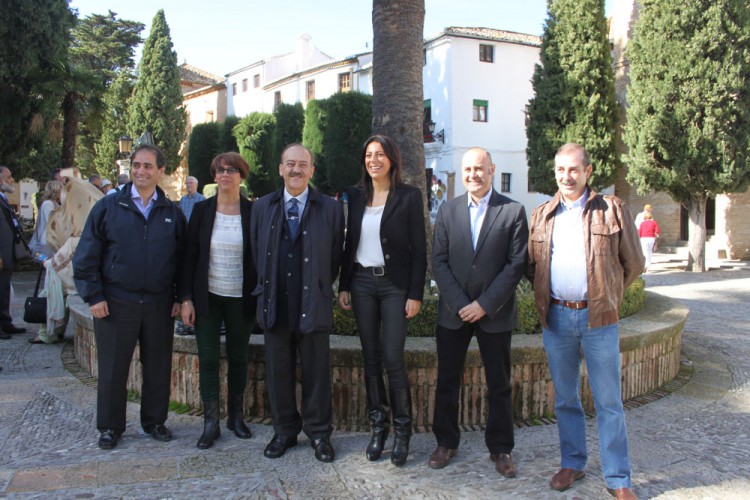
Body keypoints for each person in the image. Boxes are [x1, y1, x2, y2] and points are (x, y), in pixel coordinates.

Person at [526, 143, 643, 500]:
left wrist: (608, 296)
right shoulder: (542, 215)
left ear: (588, 172)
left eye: (574, 170)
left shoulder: (612, 209)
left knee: (609, 401)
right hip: (557, 318)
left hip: (599, 320)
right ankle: (573, 462)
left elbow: (634, 262)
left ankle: (618, 477)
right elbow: (532, 266)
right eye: (561, 170)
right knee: (565, 398)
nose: (567, 177)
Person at [73, 144, 187, 451]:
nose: (141, 171)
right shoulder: (109, 207)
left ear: (160, 171)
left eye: (148, 166)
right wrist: (94, 295)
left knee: (158, 366)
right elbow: (86, 256)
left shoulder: (171, 213)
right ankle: (110, 426)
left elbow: (183, 260)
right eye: (136, 165)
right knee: (112, 368)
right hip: (115, 302)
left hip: (159, 304)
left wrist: (181, 296)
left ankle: (154, 421)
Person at [428, 147, 528, 477]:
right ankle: (446, 442)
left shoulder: (512, 211)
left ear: (492, 170)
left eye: (479, 168)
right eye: (468, 168)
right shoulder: (448, 211)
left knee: (499, 383)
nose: (473, 174)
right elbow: (438, 262)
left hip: (494, 313)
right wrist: (461, 304)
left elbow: (516, 265)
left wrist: (484, 304)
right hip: (453, 313)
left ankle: (501, 449)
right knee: (447, 380)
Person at [250, 143, 344, 463]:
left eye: (303, 164)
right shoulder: (262, 207)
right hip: (274, 302)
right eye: (290, 163)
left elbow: (334, 257)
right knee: (278, 371)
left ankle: (319, 434)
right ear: (280, 168)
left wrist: (317, 284)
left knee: (317, 372)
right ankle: (285, 431)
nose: (296, 170)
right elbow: (255, 251)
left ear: (312, 170)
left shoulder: (330, 209)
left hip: (313, 302)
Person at [337, 135, 427, 466]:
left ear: (392, 160)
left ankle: (403, 432)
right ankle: (379, 428)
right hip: (361, 283)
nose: (374, 160)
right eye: (369, 155)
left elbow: (420, 249)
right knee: (370, 358)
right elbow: (350, 244)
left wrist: (415, 293)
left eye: (380, 154)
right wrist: (343, 285)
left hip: (394, 287)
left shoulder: (409, 196)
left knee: (392, 358)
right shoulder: (356, 195)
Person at [179, 153, 257, 449]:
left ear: (241, 175)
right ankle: (210, 422)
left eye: (232, 170)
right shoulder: (201, 210)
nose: (226, 174)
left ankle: (236, 417)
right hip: (207, 298)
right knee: (208, 359)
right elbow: (188, 257)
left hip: (241, 299)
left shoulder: (253, 211)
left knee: (239, 357)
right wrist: (185, 298)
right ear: (214, 175)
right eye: (220, 170)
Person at [29, 177, 103, 345]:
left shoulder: (78, 237)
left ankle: (47, 334)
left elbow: (58, 262)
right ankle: (53, 333)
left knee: (49, 294)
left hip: (74, 280)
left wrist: (46, 262)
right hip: (77, 279)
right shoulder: (88, 231)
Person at [0, 166, 27, 339]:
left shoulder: (3, 198)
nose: (12, 180)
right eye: (9, 177)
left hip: (7, 252)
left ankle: (5, 322)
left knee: (3, 290)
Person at [29, 181, 63, 257]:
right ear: (56, 191)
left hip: (53, 239)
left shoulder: (54, 203)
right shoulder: (49, 204)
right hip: (49, 240)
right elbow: (51, 221)